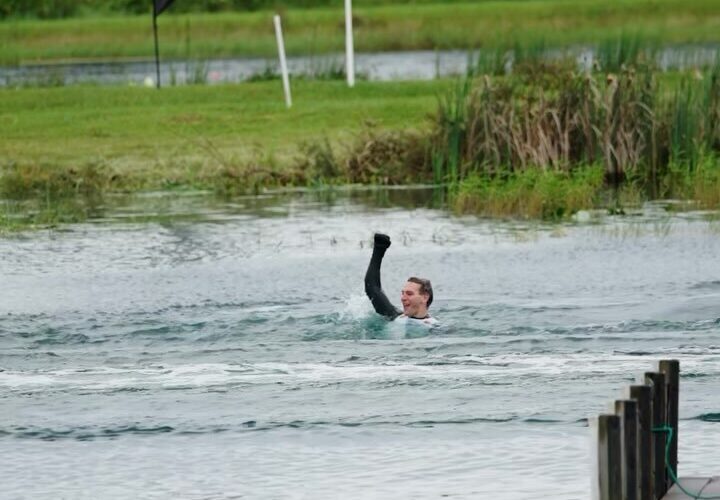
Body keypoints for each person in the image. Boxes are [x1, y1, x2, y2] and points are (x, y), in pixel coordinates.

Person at [364, 233, 437, 325]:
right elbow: (372, 288)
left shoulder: (433, 327)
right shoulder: (396, 317)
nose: (403, 298)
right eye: (403, 293)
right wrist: (379, 249)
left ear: (425, 297)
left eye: (409, 294)